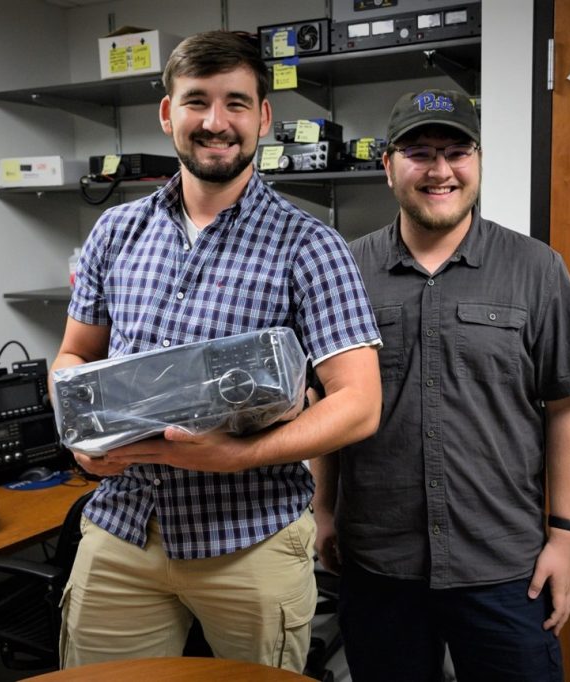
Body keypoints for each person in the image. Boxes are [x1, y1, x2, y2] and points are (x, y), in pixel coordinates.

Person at [51, 30, 381, 673]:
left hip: (250, 542)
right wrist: (78, 438)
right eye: (196, 101)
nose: (214, 122)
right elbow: (72, 355)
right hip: (122, 531)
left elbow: (360, 405)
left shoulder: (309, 245)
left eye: (235, 103)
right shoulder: (115, 232)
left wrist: (238, 456)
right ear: (168, 113)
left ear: (263, 117)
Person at [311, 89, 570, 681]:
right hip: (378, 563)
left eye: (456, 151)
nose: (439, 170)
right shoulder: (345, 271)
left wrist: (565, 538)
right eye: (419, 152)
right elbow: (330, 405)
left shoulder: (535, 269)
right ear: (388, 164)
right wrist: (322, 512)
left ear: (477, 160)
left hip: (504, 567)